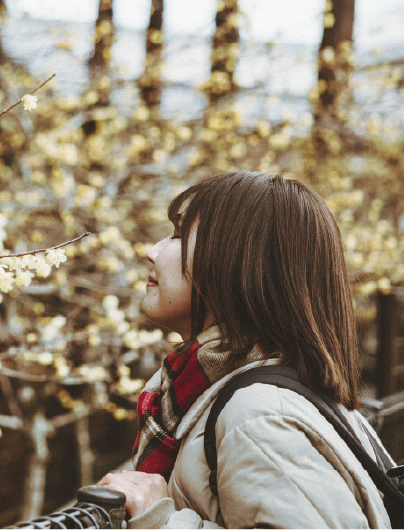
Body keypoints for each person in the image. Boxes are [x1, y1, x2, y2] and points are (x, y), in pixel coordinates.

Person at [98, 171, 392, 530]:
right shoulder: (250, 396)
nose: (152, 251)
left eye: (177, 236)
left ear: (236, 264)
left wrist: (159, 522)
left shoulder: (258, 415)